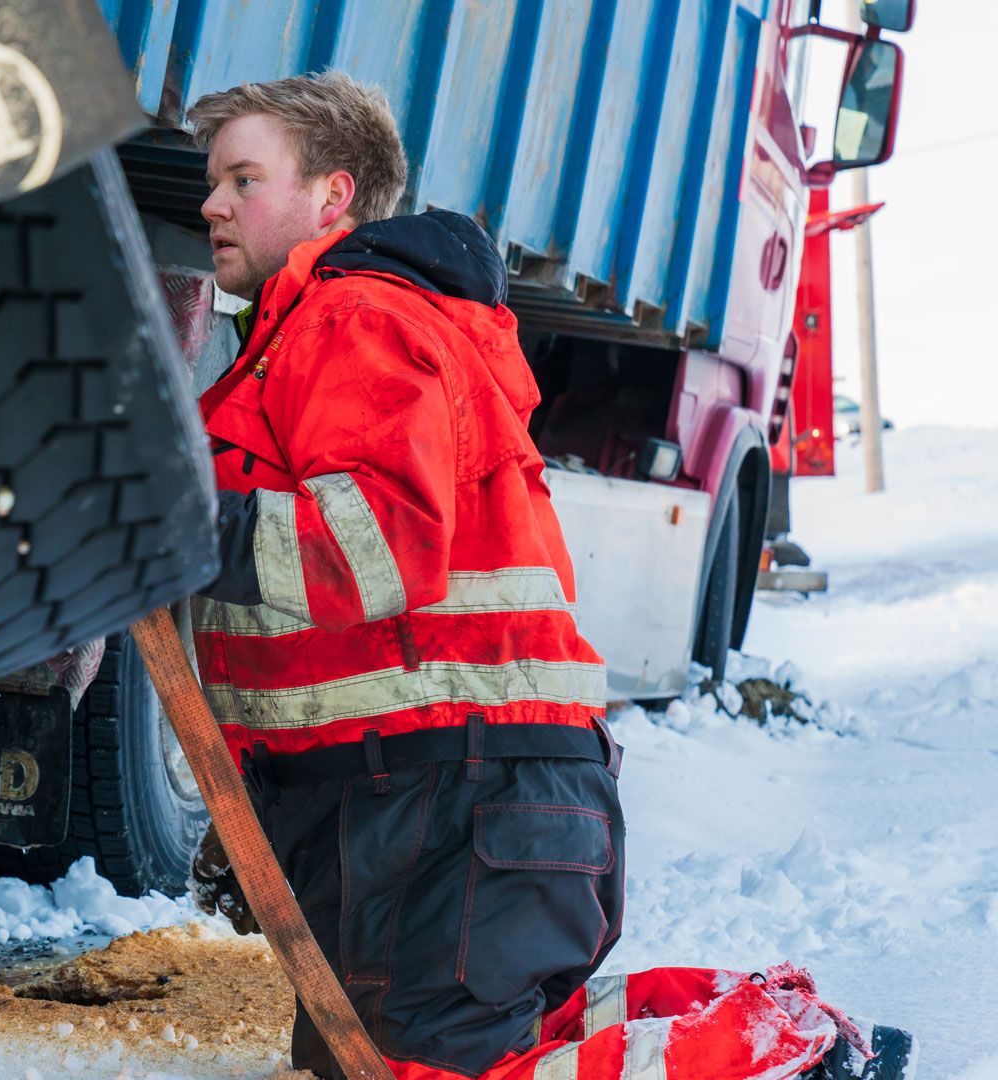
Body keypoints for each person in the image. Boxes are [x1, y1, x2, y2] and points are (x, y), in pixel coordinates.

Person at [179, 72, 908, 1080]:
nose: (211, 203)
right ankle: (760, 1031)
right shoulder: (338, 328)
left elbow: (371, 550)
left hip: (447, 799)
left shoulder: (356, 320)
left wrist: (171, 528)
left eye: (241, 179)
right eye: (214, 181)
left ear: (332, 195)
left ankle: (769, 1057)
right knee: (439, 1057)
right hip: (455, 799)